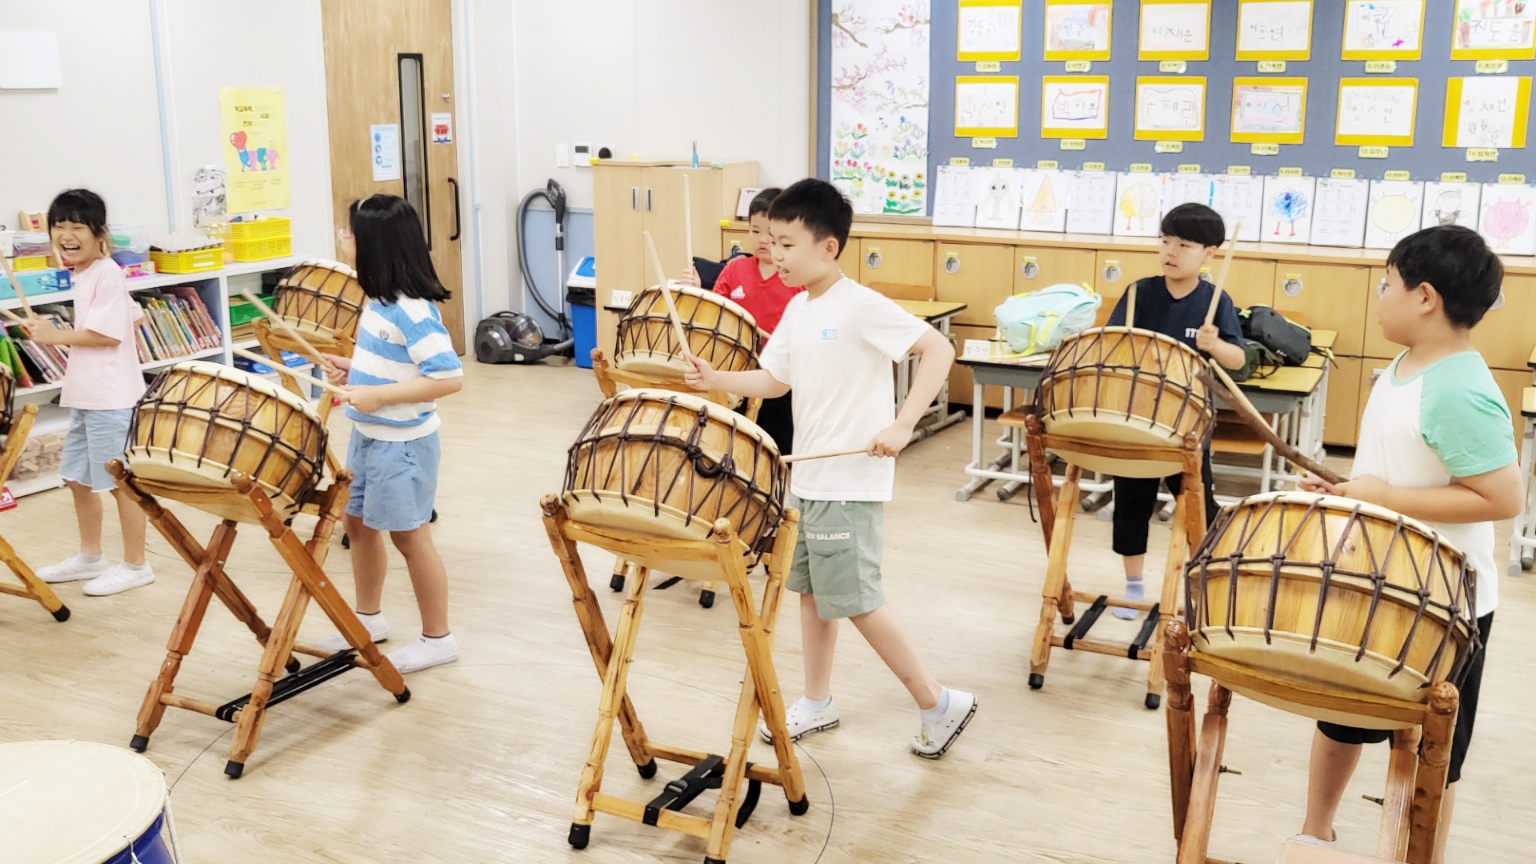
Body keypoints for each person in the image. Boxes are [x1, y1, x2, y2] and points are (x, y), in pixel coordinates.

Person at [684, 178, 977, 758]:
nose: (775, 254)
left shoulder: (860, 304)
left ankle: (938, 702)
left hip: (849, 481)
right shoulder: (799, 308)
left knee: (857, 598)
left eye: (787, 244)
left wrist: (903, 424)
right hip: (810, 478)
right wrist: (715, 379)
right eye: (771, 242)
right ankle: (817, 700)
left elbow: (939, 349)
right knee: (813, 594)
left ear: (828, 247)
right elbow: (776, 379)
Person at [1294, 225, 1523, 862]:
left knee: (1435, 750)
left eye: (1386, 283)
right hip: (1382, 579)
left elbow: (1503, 498)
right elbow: (1397, 469)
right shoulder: (1403, 365)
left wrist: (1383, 497)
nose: (1378, 296)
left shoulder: (1459, 387)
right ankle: (1314, 833)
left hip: (1446, 600)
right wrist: (1347, 488)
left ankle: (1422, 854)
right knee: (1341, 714)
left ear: (1424, 297)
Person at [315, 195, 464, 674]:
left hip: (403, 446)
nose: (343, 238)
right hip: (369, 435)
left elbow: (448, 377)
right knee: (357, 525)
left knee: (410, 537)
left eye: (349, 233)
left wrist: (378, 396)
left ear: (372, 245)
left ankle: (438, 638)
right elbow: (394, 365)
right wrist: (353, 370)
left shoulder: (412, 310)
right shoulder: (377, 301)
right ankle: (368, 618)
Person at [1103, 203, 1246, 620]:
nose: (1170, 251)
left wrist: (1215, 345)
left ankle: (1204, 580)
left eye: (1184, 245)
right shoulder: (1138, 293)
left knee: (1197, 505)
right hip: (1137, 418)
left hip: (1188, 425)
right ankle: (1133, 584)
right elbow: (1111, 344)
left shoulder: (1214, 301)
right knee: (1131, 504)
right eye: (1165, 241)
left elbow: (1238, 360)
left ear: (1209, 254)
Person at [30, 188, 154, 596]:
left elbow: (107, 335)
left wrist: (54, 335)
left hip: (110, 399)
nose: (66, 235)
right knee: (78, 479)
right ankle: (90, 557)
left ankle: (136, 564)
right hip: (87, 395)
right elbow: (133, 317)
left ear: (99, 233)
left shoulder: (106, 273)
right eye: (58, 226)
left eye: (77, 227)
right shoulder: (87, 274)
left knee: (120, 485)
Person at [686, 187, 801, 453]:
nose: (762, 240)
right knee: (733, 438)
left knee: (776, 442)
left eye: (770, 233)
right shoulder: (734, 269)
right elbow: (716, 312)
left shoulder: (795, 276)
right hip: (736, 367)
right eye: (754, 230)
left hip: (779, 372)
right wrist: (698, 290)